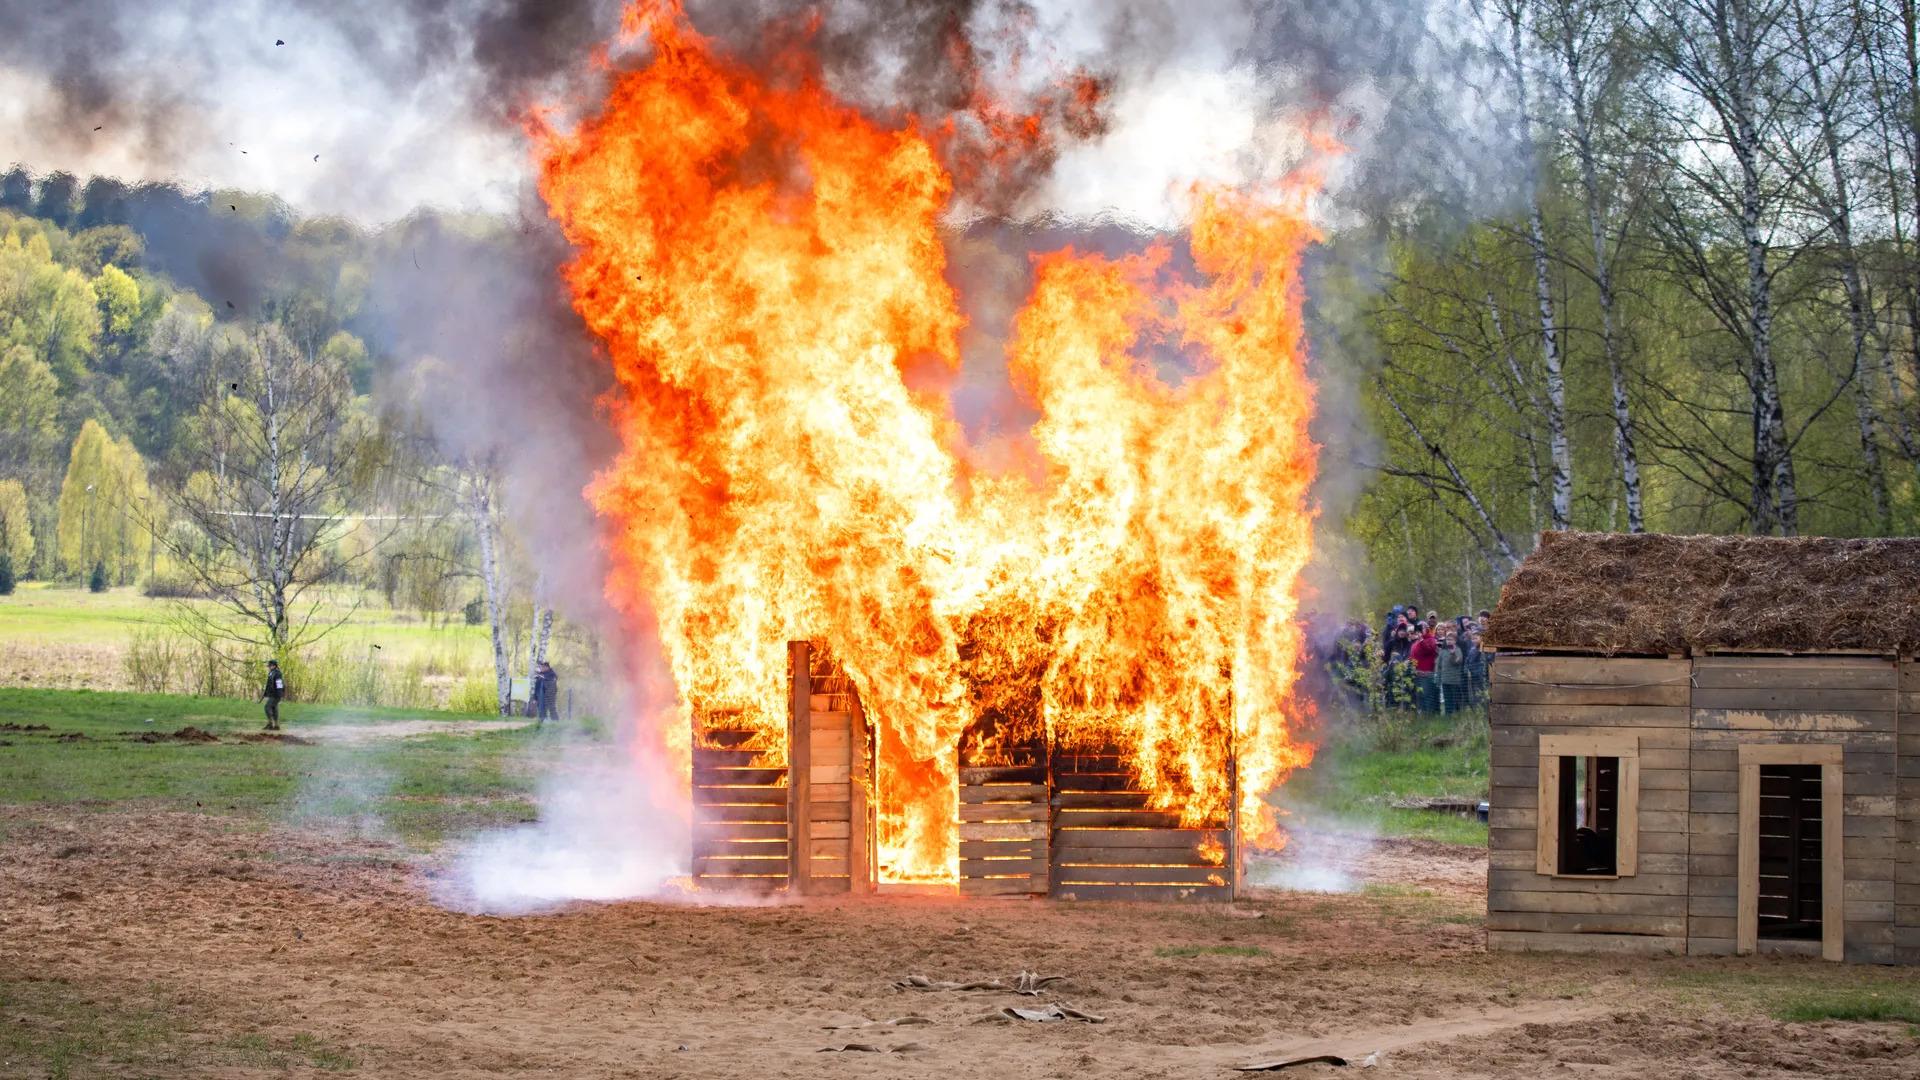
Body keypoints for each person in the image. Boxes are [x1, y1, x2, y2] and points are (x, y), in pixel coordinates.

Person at [1436, 624, 1469, 713]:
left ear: (1455, 641)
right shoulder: (1442, 651)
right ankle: (1448, 714)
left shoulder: (1458, 650)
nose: (1449, 641)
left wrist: (1453, 653)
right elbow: (1438, 665)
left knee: (1455, 698)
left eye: (1451, 640)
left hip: (1454, 680)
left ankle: (1457, 714)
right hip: (1445, 679)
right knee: (1447, 699)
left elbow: (1458, 661)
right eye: (1447, 639)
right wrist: (1437, 678)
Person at [1409, 622, 1438, 712]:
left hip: (1426, 673)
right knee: (1420, 695)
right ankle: (1423, 715)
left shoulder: (1430, 639)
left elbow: (1428, 650)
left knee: (1427, 694)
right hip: (1417, 673)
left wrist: (1421, 639)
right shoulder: (1416, 642)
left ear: (1426, 628)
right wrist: (1408, 661)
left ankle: (1430, 713)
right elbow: (1414, 655)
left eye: (1422, 628)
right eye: (1418, 628)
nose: (1420, 631)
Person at [261, 659, 285, 731]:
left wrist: (278, 695)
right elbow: (269, 684)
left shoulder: (277, 673)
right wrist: (265, 693)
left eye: (270, 666)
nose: (269, 667)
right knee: (274, 709)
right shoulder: (271, 672)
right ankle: (276, 726)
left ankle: (270, 724)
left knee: (267, 707)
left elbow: (279, 685)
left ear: (274, 666)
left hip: (276, 695)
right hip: (271, 694)